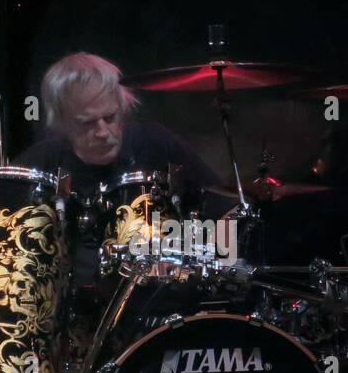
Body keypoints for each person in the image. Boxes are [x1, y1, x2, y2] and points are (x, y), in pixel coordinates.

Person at [15, 52, 218, 284]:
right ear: (61, 121)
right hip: (69, 303)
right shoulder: (41, 162)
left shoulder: (156, 144)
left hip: (151, 296)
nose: (103, 132)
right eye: (87, 123)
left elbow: (219, 204)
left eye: (110, 118)